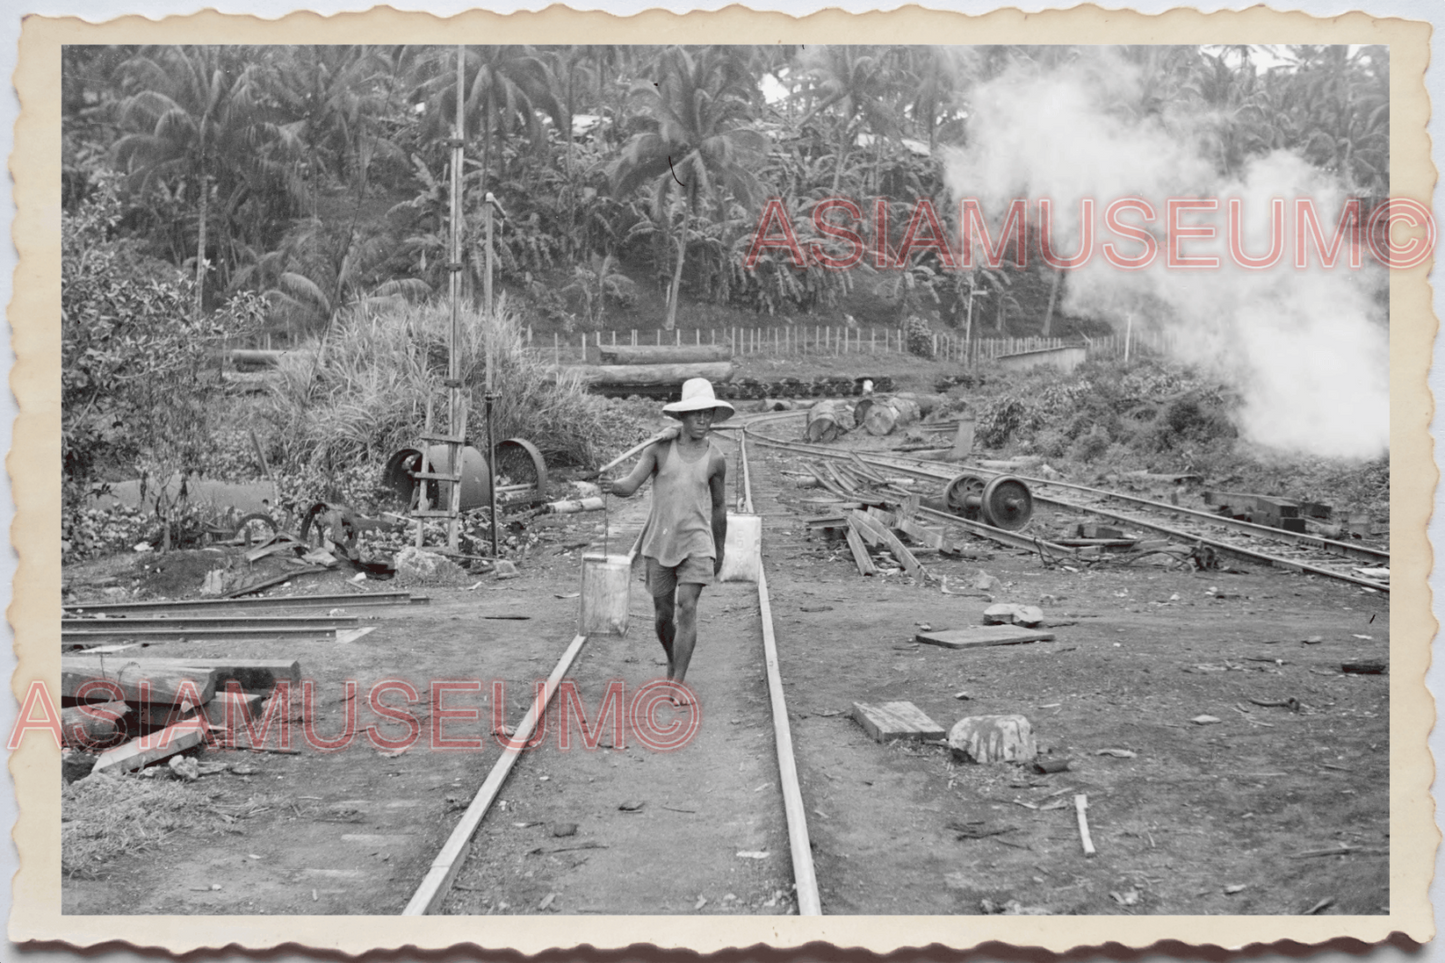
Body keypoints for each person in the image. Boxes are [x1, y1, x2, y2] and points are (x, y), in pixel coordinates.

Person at [600, 378, 731, 699]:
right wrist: (608, 483)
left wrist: (720, 548)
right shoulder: (658, 449)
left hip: (697, 543)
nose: (703, 420)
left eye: (708, 414)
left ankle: (677, 682)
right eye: (696, 414)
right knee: (662, 615)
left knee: (687, 607)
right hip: (660, 542)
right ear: (682, 417)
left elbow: (719, 506)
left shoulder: (716, 459)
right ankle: (672, 661)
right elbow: (630, 486)